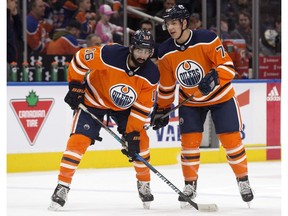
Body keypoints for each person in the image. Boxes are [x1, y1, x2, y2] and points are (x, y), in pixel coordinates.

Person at [150, 5, 254, 208]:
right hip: (191, 101)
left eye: (173, 23)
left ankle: (243, 180)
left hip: (221, 97)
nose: (170, 28)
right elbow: (167, 85)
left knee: (231, 141)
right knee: (189, 144)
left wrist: (214, 77)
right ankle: (190, 185)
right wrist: (162, 109)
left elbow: (228, 67)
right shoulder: (164, 51)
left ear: (184, 23)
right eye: (167, 24)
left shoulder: (207, 38)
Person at [48, 30, 159, 211]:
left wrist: (132, 134)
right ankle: (62, 186)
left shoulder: (151, 74)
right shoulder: (110, 54)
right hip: (94, 100)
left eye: (147, 52)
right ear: (131, 47)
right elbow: (79, 59)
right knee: (78, 141)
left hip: (125, 108)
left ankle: (144, 182)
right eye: (139, 50)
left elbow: (142, 109)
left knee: (140, 142)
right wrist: (76, 85)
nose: (143, 56)